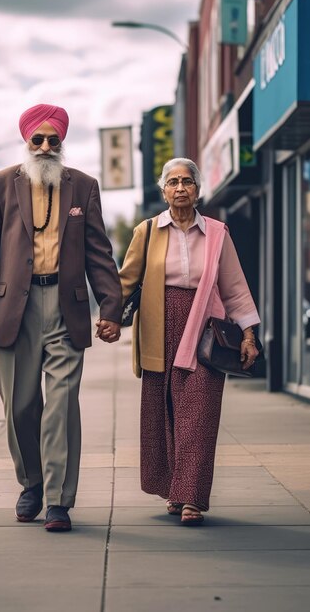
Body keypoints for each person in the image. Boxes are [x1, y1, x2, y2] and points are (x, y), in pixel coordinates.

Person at [0, 104, 122, 532]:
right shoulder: (0, 184)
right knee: (19, 406)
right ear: (26, 141)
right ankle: (31, 483)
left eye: (54, 139)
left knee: (61, 405)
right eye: (38, 139)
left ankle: (57, 499)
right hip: (13, 308)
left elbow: (98, 251)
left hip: (66, 305)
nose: (47, 146)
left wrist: (111, 307)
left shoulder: (84, 187)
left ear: (63, 143)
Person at [119, 157, 260, 525]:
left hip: (206, 329)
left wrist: (248, 334)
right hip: (158, 324)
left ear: (198, 189)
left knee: (199, 412)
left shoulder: (217, 233)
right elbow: (126, 281)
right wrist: (107, 317)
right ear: (163, 189)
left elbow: (235, 288)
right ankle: (172, 488)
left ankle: (192, 497)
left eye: (188, 181)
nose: (181, 188)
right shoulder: (147, 231)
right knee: (162, 410)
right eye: (173, 182)